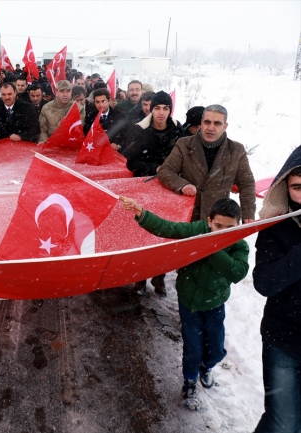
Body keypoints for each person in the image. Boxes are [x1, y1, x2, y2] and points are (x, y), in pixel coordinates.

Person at [121, 195, 249, 411]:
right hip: (189, 303)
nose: (223, 231)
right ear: (209, 221)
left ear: (237, 225)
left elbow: (237, 272)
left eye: (229, 228)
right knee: (192, 348)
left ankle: (206, 367)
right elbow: (168, 228)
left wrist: (213, 246)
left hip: (215, 304)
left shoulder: (238, 245)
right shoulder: (196, 231)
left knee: (216, 349)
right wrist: (141, 214)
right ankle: (189, 382)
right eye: (218, 226)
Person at [253, 146, 301, 433]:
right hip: (283, 340)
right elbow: (265, 282)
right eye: (297, 187)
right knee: (284, 424)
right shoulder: (276, 226)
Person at [124, 90, 185, 296]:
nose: (161, 113)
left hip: (168, 190)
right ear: (151, 109)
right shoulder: (139, 130)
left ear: (170, 110)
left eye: (165, 108)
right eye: (157, 108)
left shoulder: (178, 131)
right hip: (144, 187)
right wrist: (155, 168)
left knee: (164, 235)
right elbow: (131, 162)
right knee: (143, 233)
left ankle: (159, 277)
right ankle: (140, 278)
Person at [158, 104, 256, 223]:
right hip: (188, 218)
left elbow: (246, 184)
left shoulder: (236, 150)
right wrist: (182, 185)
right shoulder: (184, 144)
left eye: (217, 123)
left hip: (219, 219)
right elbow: (165, 170)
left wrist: (248, 214)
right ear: (201, 123)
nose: (210, 127)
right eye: (207, 122)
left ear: (225, 126)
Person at [37, 80, 86, 145]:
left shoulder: (79, 108)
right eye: (62, 91)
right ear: (56, 92)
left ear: (71, 92)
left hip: (71, 145)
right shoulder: (46, 108)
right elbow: (43, 130)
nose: (65, 95)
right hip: (52, 146)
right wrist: (43, 141)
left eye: (68, 91)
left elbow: (79, 130)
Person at [83, 88, 128, 153]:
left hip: (115, 153)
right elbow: (87, 134)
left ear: (109, 100)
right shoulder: (90, 116)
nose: (100, 105)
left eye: (103, 101)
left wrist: (118, 145)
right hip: (97, 152)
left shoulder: (120, 116)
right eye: (97, 102)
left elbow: (125, 135)